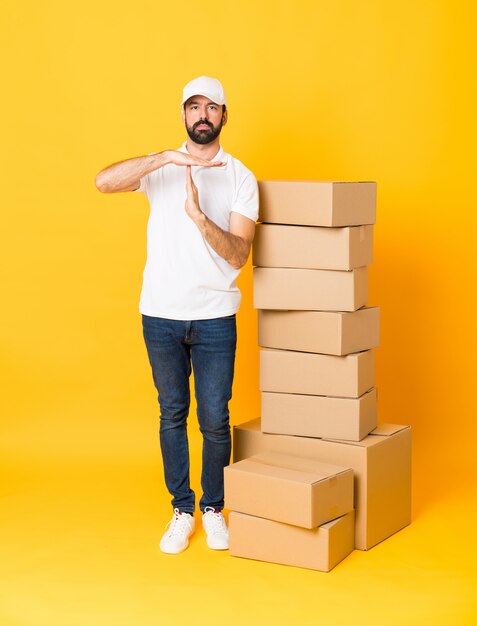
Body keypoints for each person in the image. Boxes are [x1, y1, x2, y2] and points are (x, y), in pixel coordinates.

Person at [95, 76, 259, 554]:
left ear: (225, 116)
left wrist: (199, 217)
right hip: (160, 314)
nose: (202, 115)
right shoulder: (160, 168)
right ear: (183, 115)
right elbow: (104, 182)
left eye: (212, 107)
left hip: (213, 318)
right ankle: (182, 509)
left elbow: (238, 254)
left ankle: (213, 508)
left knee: (214, 418)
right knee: (172, 413)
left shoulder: (239, 176)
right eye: (193, 107)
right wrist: (165, 158)